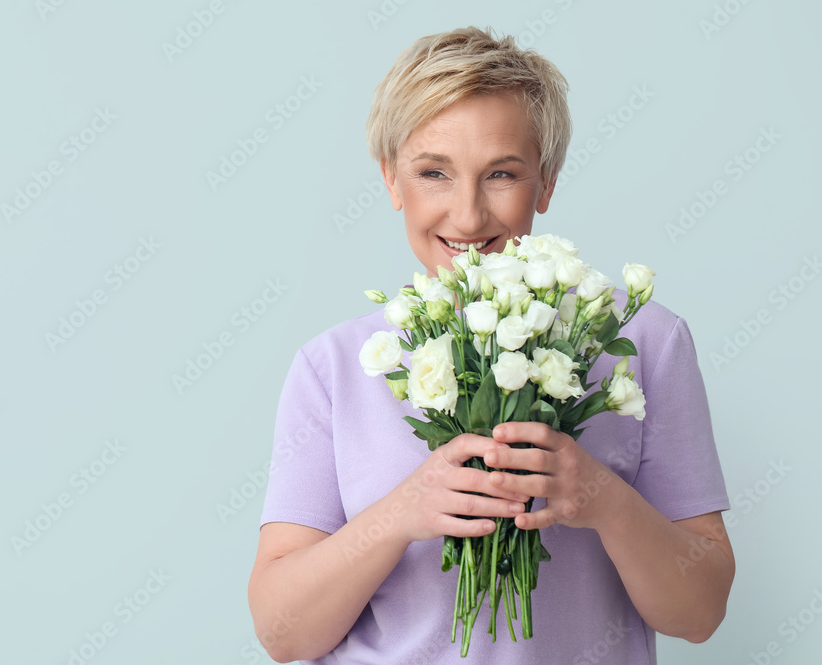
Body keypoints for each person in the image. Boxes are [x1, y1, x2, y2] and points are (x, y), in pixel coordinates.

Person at [248, 26, 734, 664]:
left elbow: (699, 613)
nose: (469, 216)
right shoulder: (333, 366)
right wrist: (402, 514)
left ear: (547, 181)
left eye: (502, 174)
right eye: (434, 173)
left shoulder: (646, 343)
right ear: (393, 181)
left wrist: (603, 499)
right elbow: (282, 634)